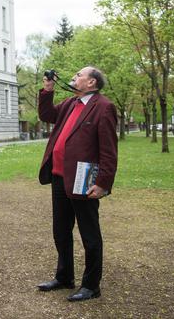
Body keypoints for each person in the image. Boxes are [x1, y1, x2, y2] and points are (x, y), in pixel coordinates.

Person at [36, 66, 118, 302]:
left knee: (89, 234)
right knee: (61, 230)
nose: (75, 76)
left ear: (92, 82)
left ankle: (91, 286)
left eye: (80, 75)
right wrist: (47, 90)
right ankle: (64, 278)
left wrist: (103, 183)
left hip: (84, 178)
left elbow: (109, 151)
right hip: (60, 176)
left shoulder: (103, 107)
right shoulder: (71, 102)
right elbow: (47, 115)